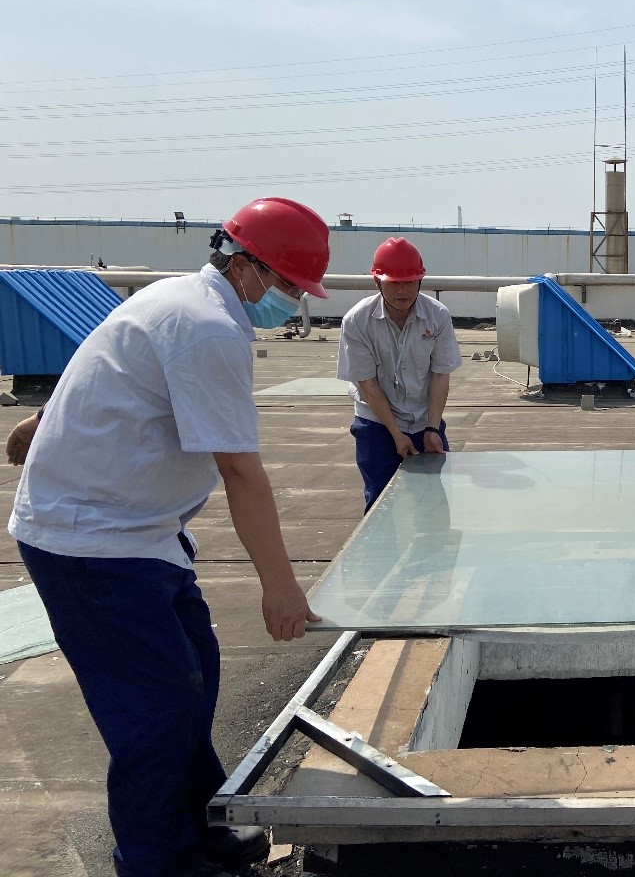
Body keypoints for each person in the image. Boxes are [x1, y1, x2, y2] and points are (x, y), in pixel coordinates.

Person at [6, 197, 332, 877]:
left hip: (139, 532)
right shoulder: (208, 328)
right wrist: (280, 587)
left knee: (194, 673)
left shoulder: (178, 300)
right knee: (152, 714)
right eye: (287, 284)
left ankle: (202, 825)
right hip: (91, 543)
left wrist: (40, 423)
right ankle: (159, 862)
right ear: (244, 265)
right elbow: (241, 472)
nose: (292, 301)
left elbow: (109, 365)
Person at [336, 236, 462, 511]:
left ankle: (434, 540)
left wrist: (432, 427)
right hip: (376, 422)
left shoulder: (437, 316)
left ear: (420, 282)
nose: (403, 290)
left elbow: (440, 374)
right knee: (380, 500)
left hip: (424, 418)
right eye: (394, 283)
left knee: (434, 500)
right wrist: (395, 433)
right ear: (377, 281)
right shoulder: (357, 321)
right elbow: (367, 383)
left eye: (410, 282)